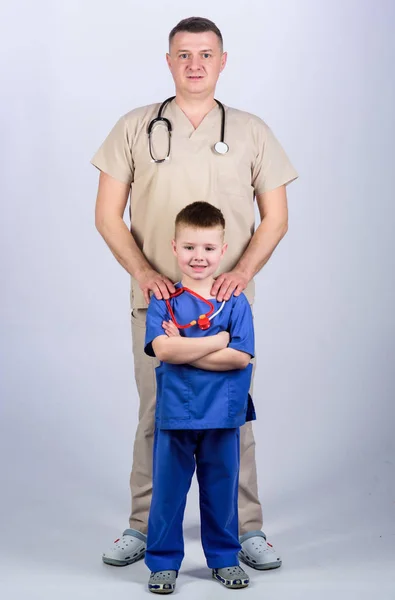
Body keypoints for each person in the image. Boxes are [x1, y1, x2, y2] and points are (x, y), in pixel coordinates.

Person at [91, 16, 298, 571]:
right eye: (184, 54)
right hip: (160, 303)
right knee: (156, 412)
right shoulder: (136, 127)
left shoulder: (252, 131)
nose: (195, 64)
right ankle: (142, 525)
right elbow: (107, 215)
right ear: (168, 61)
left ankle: (246, 527)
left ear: (223, 61)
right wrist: (143, 274)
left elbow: (275, 218)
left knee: (233, 415)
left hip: (227, 306)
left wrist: (242, 270)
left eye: (206, 54)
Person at [145, 201, 254, 593]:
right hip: (177, 411)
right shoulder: (164, 298)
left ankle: (224, 558)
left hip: (223, 413)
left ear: (223, 251)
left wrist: (191, 347)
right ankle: (162, 563)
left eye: (208, 248)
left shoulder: (235, 301)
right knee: (168, 492)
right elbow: (164, 351)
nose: (199, 257)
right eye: (190, 247)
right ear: (174, 247)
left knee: (222, 490)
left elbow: (239, 358)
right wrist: (217, 341)